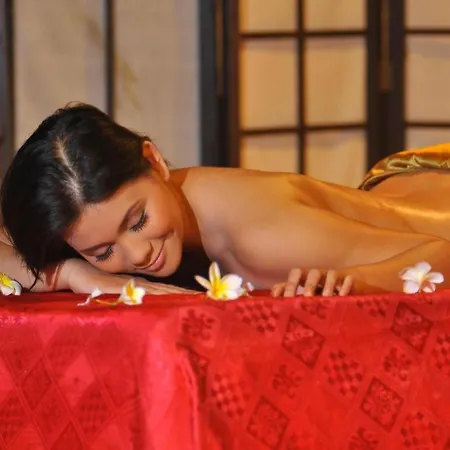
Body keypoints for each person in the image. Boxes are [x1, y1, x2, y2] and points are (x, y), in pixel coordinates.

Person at [1, 103, 450, 298]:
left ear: (153, 160)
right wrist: (77, 274)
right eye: (103, 251)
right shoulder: (98, 213)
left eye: (137, 221)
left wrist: (350, 281)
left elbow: (440, 256)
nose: (137, 255)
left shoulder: (263, 238)